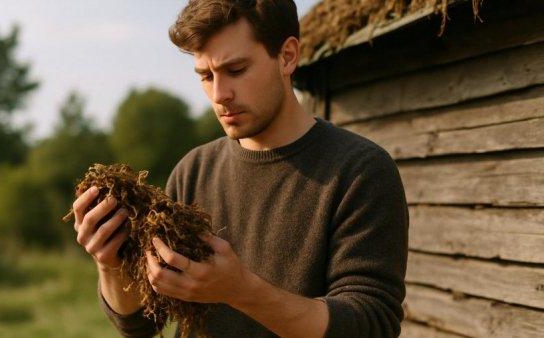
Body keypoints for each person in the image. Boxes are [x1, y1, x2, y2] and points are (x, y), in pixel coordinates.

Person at [70, 0, 408, 337]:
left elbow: (371, 325)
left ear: (288, 56)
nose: (220, 94)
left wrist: (241, 291)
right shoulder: (193, 170)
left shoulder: (361, 171)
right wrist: (110, 264)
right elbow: (142, 324)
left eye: (236, 70)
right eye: (205, 75)